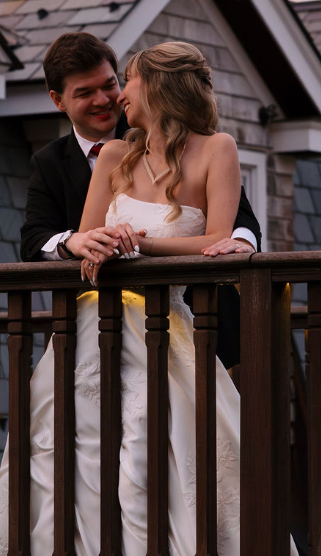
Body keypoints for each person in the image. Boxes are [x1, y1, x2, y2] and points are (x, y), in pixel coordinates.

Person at [0, 40, 321, 556]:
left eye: (124, 83)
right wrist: (89, 242)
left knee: (158, 477)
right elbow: (69, 239)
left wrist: (141, 248)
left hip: (169, 335)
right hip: (91, 340)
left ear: (154, 89)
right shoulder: (104, 157)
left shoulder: (217, 150)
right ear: (60, 101)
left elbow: (227, 234)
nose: (115, 97)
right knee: (69, 480)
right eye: (96, 91)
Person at [20, 31, 260, 368]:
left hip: (199, 324)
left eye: (111, 84)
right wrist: (78, 242)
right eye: (86, 93)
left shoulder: (203, 146)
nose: (107, 100)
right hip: (102, 330)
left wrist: (239, 245)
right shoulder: (51, 162)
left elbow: (239, 219)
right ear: (58, 100)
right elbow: (33, 240)